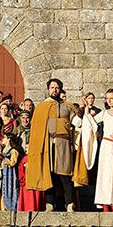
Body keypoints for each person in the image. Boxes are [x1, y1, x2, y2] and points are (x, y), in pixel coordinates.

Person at [26, 78, 77, 211]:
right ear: (48, 90)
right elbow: (36, 129)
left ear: (60, 90)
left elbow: (77, 122)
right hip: (47, 143)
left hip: (64, 143)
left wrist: (84, 112)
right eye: (52, 87)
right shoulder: (41, 107)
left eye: (57, 88)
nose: (55, 90)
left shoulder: (67, 106)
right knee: (49, 173)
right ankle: (49, 204)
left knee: (65, 174)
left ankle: (69, 204)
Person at [0, 135, 21, 212]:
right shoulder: (3, 150)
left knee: (9, 190)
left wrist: (4, 158)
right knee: (1, 190)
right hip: (2, 174)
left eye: (4, 138)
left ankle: (10, 208)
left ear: (9, 139)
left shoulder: (13, 151)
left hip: (9, 174)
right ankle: (1, 208)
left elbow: (13, 163)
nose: (2, 139)